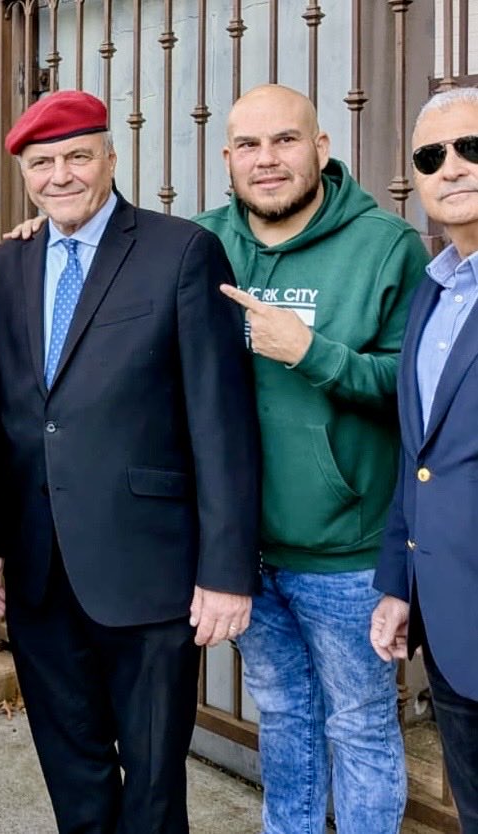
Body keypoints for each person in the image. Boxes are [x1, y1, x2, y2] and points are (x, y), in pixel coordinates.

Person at [0, 89, 260, 834]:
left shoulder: (180, 251)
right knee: (72, 770)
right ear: (24, 175)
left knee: (155, 782)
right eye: (42, 162)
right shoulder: (6, 265)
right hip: (38, 568)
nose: (59, 174)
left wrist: (225, 570)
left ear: (110, 157)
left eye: (75, 156)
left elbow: (220, 418)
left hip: (148, 570)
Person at [192, 84, 427, 834]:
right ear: (227, 158)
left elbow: (416, 388)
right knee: (284, 718)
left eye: (284, 141)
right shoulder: (198, 243)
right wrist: (43, 226)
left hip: (344, 553)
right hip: (240, 551)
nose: (267, 160)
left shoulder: (385, 245)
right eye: (249, 146)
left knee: (357, 725)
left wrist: (313, 356)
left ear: (320, 150)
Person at [372, 86, 478, 834]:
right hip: (449, 624)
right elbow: (420, 456)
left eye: (472, 146)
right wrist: (396, 584)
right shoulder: (433, 291)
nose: (452, 166)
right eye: (430, 155)